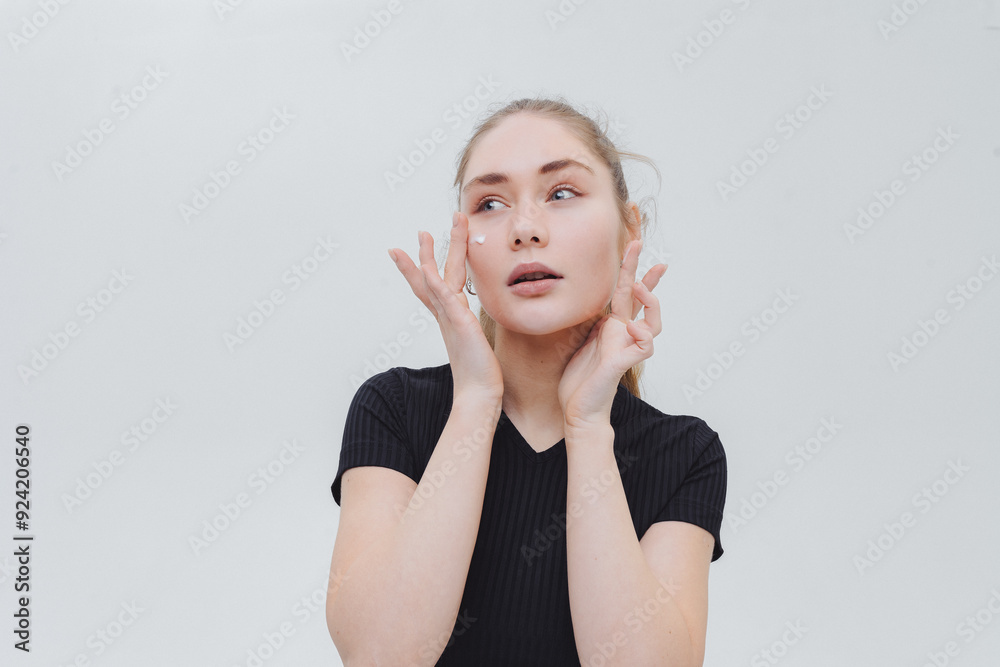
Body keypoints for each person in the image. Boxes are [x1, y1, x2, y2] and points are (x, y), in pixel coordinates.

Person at [325, 97, 728, 666]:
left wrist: (588, 427)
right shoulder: (393, 409)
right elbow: (381, 656)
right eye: (490, 203)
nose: (525, 230)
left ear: (628, 230)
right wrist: (475, 399)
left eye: (562, 193)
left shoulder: (684, 453)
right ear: (464, 250)